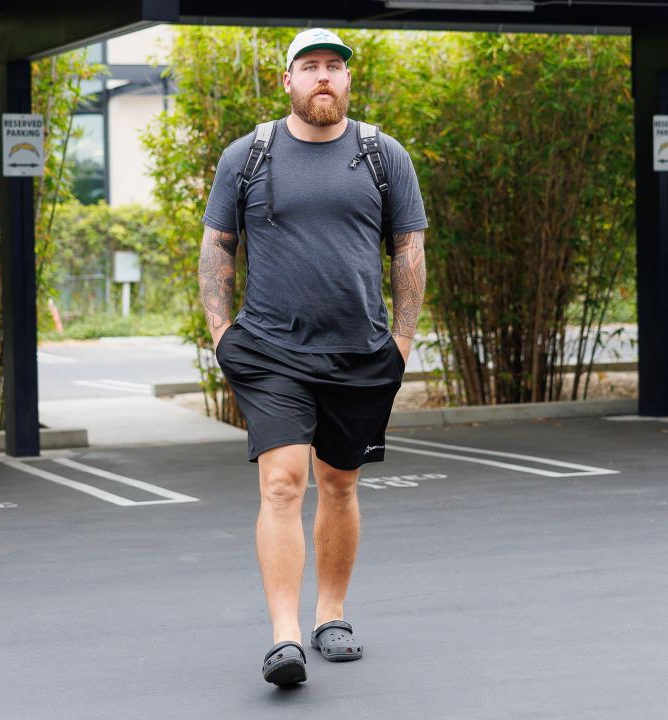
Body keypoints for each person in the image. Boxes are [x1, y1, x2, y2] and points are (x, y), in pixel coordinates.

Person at [197, 28, 428, 688]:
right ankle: (285, 638)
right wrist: (222, 332)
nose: (323, 76)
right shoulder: (249, 155)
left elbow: (408, 250)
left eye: (335, 67)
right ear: (288, 81)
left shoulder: (384, 155)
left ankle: (331, 615)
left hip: (360, 349)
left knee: (340, 483)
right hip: (271, 350)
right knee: (281, 483)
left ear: (348, 81)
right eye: (311, 67)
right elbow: (218, 245)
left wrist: (403, 343)